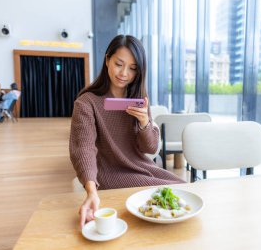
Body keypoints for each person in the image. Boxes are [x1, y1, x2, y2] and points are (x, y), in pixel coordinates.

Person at [69, 35, 185, 228]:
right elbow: (84, 148)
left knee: (184, 187)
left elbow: (150, 148)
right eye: (119, 64)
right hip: (109, 172)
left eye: (132, 68)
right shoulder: (86, 102)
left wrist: (144, 122)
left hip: (142, 167)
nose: (124, 73)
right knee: (173, 192)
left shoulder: (139, 99)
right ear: (107, 60)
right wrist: (90, 189)